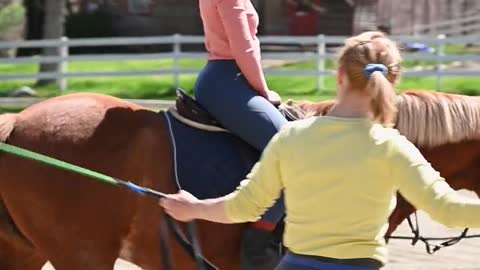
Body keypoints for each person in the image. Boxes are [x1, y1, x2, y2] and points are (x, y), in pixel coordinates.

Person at [161, 31, 480, 270]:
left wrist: (194, 208)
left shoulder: (292, 138)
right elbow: (448, 210)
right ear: (391, 83)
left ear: (339, 76)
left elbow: (245, 207)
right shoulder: (392, 147)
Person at [193, 0, 289, 269]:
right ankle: (258, 241)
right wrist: (264, 92)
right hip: (228, 80)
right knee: (293, 150)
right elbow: (243, 47)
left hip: (230, 79)